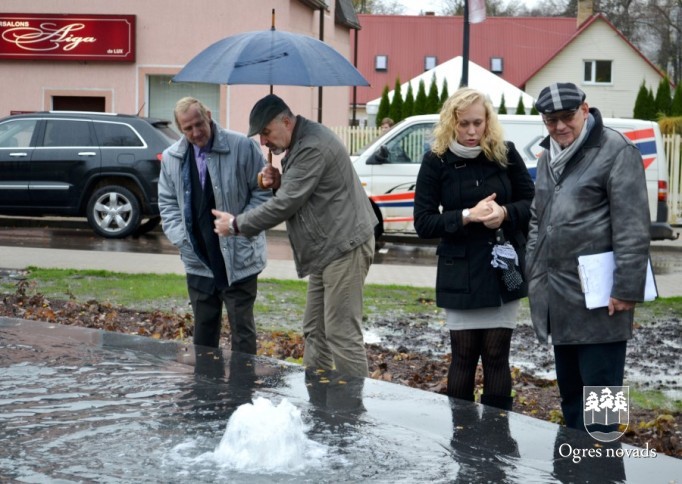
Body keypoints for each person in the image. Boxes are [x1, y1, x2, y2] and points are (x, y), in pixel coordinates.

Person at [212, 94, 378, 378]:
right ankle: (319, 396)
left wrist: (237, 224)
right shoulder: (301, 143)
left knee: (341, 334)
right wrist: (279, 181)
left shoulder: (312, 146)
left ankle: (350, 404)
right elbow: (304, 192)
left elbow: (286, 204)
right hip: (328, 249)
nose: (263, 141)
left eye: (266, 132)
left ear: (286, 122)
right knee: (315, 330)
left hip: (345, 247)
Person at [525, 82, 650, 431]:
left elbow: (632, 226)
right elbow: (537, 218)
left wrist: (626, 288)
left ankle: (603, 460)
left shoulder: (617, 151)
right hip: (559, 297)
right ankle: (572, 460)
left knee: (602, 407)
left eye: (567, 117)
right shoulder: (549, 156)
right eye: (550, 120)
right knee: (571, 400)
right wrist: (533, 266)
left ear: (584, 109)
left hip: (602, 300)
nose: (559, 126)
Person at [413, 87, 535, 410]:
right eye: (463, 123)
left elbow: (532, 203)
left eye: (478, 123)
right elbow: (423, 222)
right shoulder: (436, 160)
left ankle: (497, 432)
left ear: (487, 121)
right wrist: (467, 215)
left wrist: (504, 213)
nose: (471, 131)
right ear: (450, 122)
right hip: (460, 272)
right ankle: (462, 433)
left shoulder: (505, 153)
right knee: (464, 356)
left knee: (496, 355)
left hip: (502, 269)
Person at [158, 97, 270, 354]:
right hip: (198, 258)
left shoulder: (243, 147)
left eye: (199, 124)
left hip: (239, 257)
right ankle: (205, 380)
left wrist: (240, 226)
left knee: (242, 332)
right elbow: (167, 204)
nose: (196, 132)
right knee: (203, 333)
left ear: (208, 115)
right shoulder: (172, 157)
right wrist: (182, 239)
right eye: (188, 128)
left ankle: (243, 380)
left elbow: (263, 194)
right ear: (180, 129)